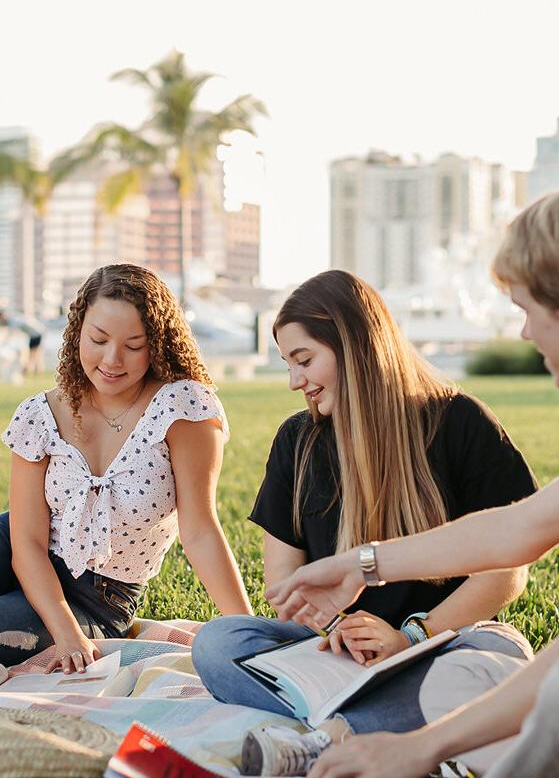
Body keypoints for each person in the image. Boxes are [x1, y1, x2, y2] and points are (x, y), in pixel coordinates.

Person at [267, 183, 559, 778]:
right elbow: (521, 527)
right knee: (486, 692)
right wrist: (360, 565)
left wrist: (421, 747)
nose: (524, 334)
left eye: (525, 310)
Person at [191, 269, 539, 776]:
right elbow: (285, 591)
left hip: (438, 645)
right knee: (218, 643)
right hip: (335, 658)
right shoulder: (297, 442)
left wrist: (411, 637)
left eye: (304, 360)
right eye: (289, 364)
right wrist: (337, 630)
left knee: (497, 650)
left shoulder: (459, 421)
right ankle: (394, 719)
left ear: (354, 344)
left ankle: (328, 738)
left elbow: (506, 571)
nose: (295, 381)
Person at [0, 264, 253, 675]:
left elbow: (200, 531)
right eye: (98, 339)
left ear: (157, 344)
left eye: (134, 344)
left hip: (98, 598)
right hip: (11, 549)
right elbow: (26, 543)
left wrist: (249, 635)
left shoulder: (183, 408)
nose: (112, 359)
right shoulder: (39, 415)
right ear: (77, 333)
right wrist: (61, 630)